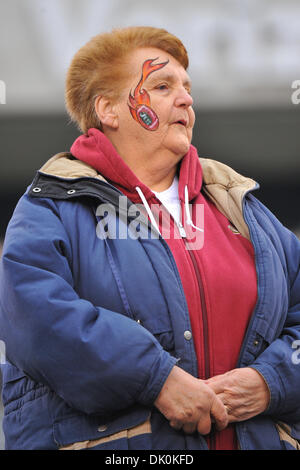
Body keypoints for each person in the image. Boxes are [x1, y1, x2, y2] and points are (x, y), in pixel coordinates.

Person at [0, 26, 300, 451]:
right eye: (162, 85)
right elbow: (37, 319)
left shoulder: (244, 208)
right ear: (108, 109)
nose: (186, 99)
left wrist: (270, 381)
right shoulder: (50, 206)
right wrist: (156, 379)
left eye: (187, 88)